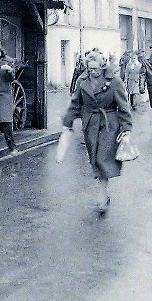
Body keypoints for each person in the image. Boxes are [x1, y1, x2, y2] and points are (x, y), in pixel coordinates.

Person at [62, 51, 132, 214]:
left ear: (102, 66)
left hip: (109, 124)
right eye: (90, 68)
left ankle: (102, 194)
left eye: (96, 68)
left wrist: (126, 129)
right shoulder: (82, 81)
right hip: (90, 124)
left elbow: (123, 107)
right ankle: (104, 192)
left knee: (102, 159)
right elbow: (75, 104)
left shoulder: (114, 81)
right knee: (94, 159)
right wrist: (68, 122)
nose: (93, 72)